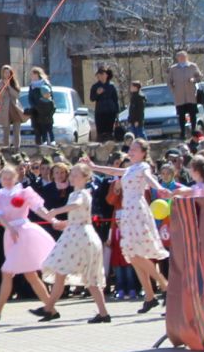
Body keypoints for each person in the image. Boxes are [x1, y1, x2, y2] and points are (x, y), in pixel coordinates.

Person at [94, 138, 169, 313]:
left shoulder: (143, 167)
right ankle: (149, 297)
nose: (132, 151)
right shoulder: (129, 169)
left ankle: (165, 286)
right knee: (133, 255)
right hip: (127, 212)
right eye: (131, 148)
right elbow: (113, 170)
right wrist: (93, 167)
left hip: (137, 210)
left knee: (138, 254)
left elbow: (150, 179)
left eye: (136, 149)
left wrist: (159, 188)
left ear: (143, 152)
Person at [0, 164, 59, 320]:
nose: (6, 181)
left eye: (10, 178)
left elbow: (39, 208)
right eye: (4, 178)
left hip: (24, 231)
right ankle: (50, 309)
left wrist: (53, 220)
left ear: (15, 178)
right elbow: (0, 217)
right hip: (11, 234)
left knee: (9, 272)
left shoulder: (24, 192)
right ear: (0, 179)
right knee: (29, 274)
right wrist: (9, 228)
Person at [42, 162, 111, 323]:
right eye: (71, 174)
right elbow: (78, 216)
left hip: (80, 238)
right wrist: (63, 223)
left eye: (75, 175)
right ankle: (103, 313)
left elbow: (77, 205)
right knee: (66, 271)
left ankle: (49, 308)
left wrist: (57, 211)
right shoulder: (75, 193)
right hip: (77, 235)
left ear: (85, 178)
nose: (71, 177)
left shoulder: (82, 193)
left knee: (82, 275)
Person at [166, 50, 200, 139]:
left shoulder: (192, 66)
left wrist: (194, 80)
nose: (182, 59)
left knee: (193, 114)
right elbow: (169, 82)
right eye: (180, 57)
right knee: (181, 115)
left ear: (187, 57)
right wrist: (174, 91)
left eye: (183, 57)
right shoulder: (173, 69)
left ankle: (194, 131)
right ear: (177, 58)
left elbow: (199, 77)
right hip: (179, 96)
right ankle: (182, 133)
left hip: (191, 95)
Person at [88, 67, 121, 143]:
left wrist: (117, 113)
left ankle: (110, 147)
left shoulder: (111, 86)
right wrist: (97, 94)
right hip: (100, 112)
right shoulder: (95, 86)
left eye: (103, 74)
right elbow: (92, 98)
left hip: (110, 112)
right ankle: (101, 146)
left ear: (106, 75)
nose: (101, 76)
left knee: (109, 132)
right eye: (99, 75)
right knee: (101, 132)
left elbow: (115, 100)